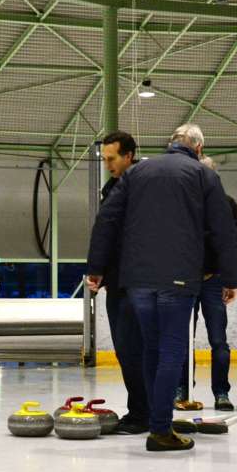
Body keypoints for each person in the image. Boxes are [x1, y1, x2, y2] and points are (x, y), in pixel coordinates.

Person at [87, 124, 237, 452]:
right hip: (179, 277)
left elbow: (107, 220)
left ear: (170, 144)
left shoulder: (137, 173)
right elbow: (223, 230)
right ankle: (159, 429)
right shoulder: (204, 175)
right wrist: (229, 278)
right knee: (171, 351)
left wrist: (95, 269)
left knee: (151, 351)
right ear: (198, 150)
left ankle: (158, 418)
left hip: (136, 280)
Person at [176, 155, 237, 412]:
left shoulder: (227, 204)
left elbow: (232, 242)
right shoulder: (182, 204)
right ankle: (181, 387)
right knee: (182, 338)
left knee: (218, 339)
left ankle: (221, 391)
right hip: (185, 279)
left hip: (214, 280)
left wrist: (229, 279)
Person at [98, 131, 148, 434]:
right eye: (104, 159)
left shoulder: (144, 187)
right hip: (117, 281)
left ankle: (144, 412)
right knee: (125, 349)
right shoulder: (112, 188)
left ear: (129, 155)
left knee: (135, 348)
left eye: (112, 159)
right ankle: (140, 409)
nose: (108, 164)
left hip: (138, 281)